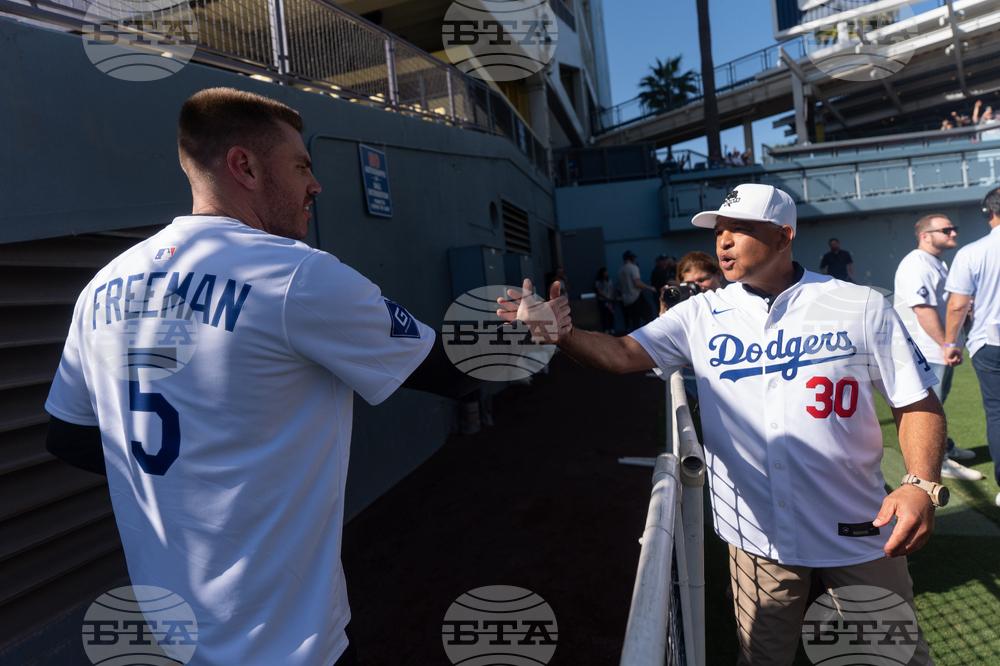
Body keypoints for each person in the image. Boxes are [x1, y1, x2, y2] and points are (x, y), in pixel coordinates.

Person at [42, 88, 566, 665]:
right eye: (301, 167)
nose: (314, 185)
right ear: (243, 166)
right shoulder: (294, 274)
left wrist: (181, 473)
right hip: (287, 645)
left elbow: (66, 436)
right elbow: (456, 373)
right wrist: (529, 331)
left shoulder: (101, 287)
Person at [503, 183, 946, 665]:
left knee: (897, 658)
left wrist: (920, 483)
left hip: (859, 529)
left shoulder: (858, 304)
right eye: (720, 230)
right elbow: (621, 354)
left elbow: (916, 402)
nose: (724, 241)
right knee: (761, 660)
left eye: (740, 229)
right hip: (758, 536)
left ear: (783, 236)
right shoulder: (700, 313)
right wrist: (559, 333)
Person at [894, 214, 982, 481]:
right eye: (946, 230)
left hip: (937, 348)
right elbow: (921, 309)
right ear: (925, 236)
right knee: (930, 408)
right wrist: (947, 344)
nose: (953, 233)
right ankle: (938, 461)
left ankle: (944, 447)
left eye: (953, 229)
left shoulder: (936, 262)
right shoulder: (916, 264)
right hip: (927, 350)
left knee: (939, 403)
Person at [944, 187, 1000, 508]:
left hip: (991, 342)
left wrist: (952, 343)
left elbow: (957, 306)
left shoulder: (972, 252)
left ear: (987, 213)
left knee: (997, 413)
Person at [617, 250, 656, 332]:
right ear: (631, 258)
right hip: (636, 297)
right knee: (649, 315)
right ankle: (649, 334)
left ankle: (636, 341)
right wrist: (650, 288)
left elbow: (620, 288)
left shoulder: (620, 270)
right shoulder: (633, 267)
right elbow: (637, 283)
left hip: (626, 300)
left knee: (635, 321)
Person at [594, 267, 616, 334]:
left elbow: (612, 288)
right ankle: (605, 329)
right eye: (605, 272)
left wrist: (610, 297)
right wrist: (606, 297)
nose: (606, 273)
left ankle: (612, 328)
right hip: (603, 300)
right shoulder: (598, 282)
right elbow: (599, 291)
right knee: (604, 315)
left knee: (610, 314)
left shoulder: (608, 280)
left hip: (610, 300)